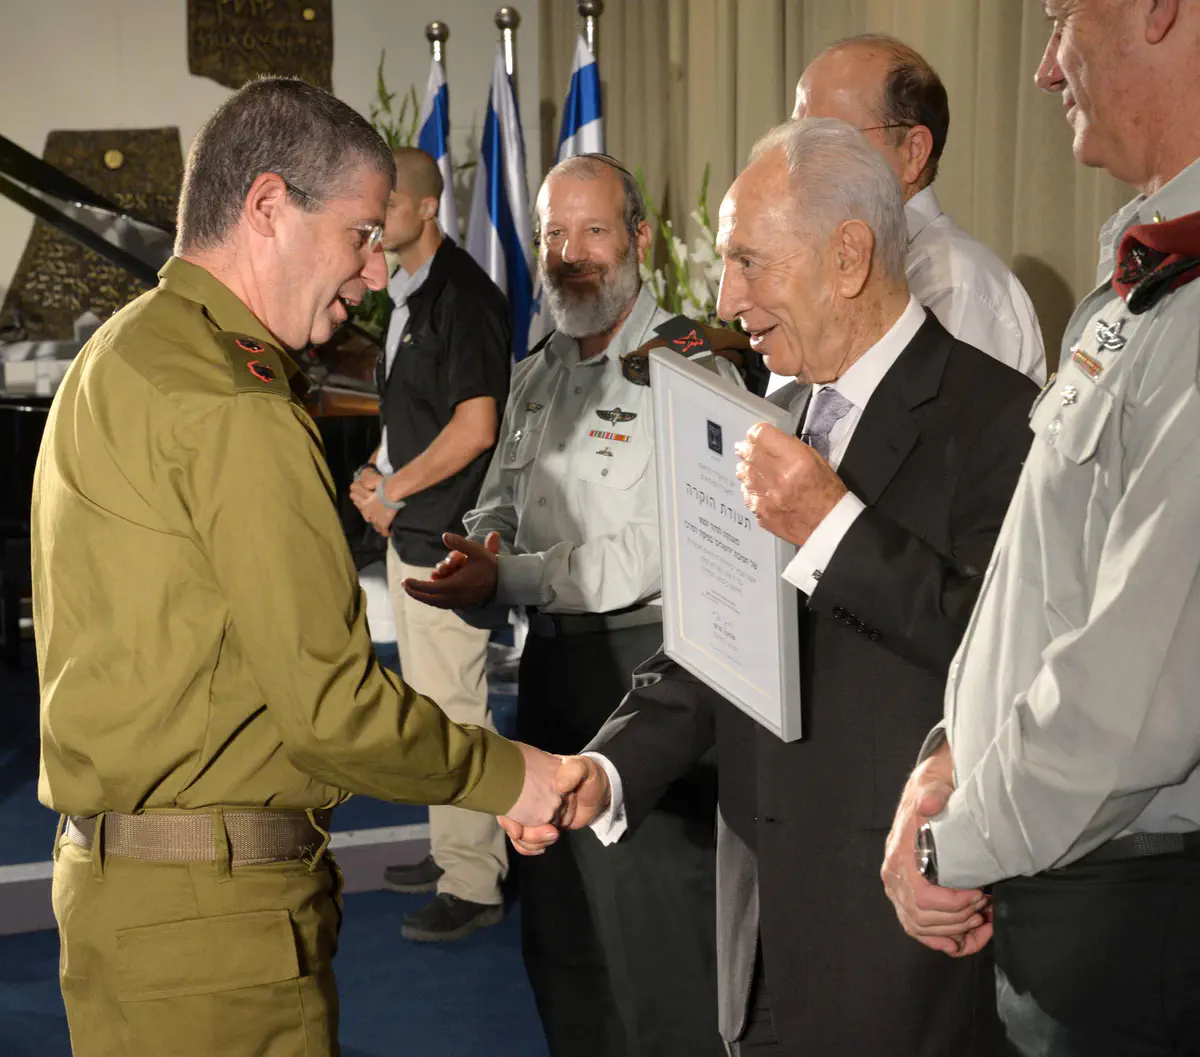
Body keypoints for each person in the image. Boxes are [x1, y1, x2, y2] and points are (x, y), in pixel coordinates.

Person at [33, 77, 562, 1057]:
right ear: (270, 206)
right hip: (215, 930)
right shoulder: (232, 403)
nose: (373, 271)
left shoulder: (120, 353)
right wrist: (510, 775)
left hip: (129, 904)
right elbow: (332, 709)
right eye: (360, 234)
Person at [505, 118, 1038, 1056]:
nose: (726, 298)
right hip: (755, 922)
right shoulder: (769, 412)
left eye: (748, 262)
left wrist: (834, 524)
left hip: (897, 932)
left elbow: (1003, 655)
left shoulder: (999, 417)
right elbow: (717, 640)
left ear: (848, 256)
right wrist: (610, 766)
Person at [882, 3, 1200, 1054]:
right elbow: (1049, 578)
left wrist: (956, 841)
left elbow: (1143, 684)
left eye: (1062, 14)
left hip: (1130, 903)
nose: (1045, 70)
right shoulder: (1145, 275)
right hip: (1068, 871)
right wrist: (949, 758)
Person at [404, 153, 723, 1057]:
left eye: (593, 231)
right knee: (563, 936)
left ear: (639, 240)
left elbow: (660, 549)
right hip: (551, 671)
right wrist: (481, 544)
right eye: (553, 235)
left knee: (658, 946)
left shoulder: (694, 369)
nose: (571, 254)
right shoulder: (537, 370)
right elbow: (500, 499)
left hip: (650, 678)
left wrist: (506, 577)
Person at [348, 147, 512, 943]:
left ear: (424, 208)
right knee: (430, 708)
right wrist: (376, 475)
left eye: (386, 206)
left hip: (448, 537)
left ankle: (474, 881)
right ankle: (453, 848)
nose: (374, 218)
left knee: (457, 710)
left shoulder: (464, 296)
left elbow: (475, 427)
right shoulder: (409, 292)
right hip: (412, 527)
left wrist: (394, 492)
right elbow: (411, 413)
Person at [788, 33, 1046, 383]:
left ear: (913, 152)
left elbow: (936, 419)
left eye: (828, 139)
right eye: (796, 138)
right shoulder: (828, 262)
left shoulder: (955, 285)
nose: (798, 164)